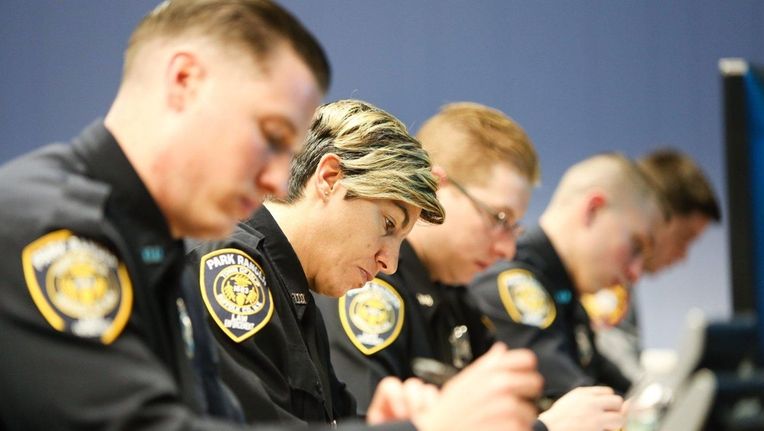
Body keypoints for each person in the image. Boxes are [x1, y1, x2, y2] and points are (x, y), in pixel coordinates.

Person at [0, 2, 537, 431]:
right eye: (272, 136)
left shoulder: (154, 243)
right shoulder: (47, 226)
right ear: (184, 80)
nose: (279, 182)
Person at [187, 99, 544, 429]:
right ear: (330, 179)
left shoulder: (295, 289)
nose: (389, 263)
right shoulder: (236, 270)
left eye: (401, 240)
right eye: (388, 224)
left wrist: (383, 421)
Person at [316, 103, 626, 431]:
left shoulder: (458, 300)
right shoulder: (368, 286)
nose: (507, 249)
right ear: (436, 188)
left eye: (513, 228)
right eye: (499, 219)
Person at [470, 153, 666, 400]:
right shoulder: (515, 284)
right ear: (593, 210)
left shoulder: (564, 294)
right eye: (636, 246)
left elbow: (622, 393)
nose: (635, 273)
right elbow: (576, 403)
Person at [581, 148, 721, 381]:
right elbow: (612, 356)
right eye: (684, 238)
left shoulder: (622, 279)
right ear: (657, 218)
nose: (683, 255)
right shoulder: (606, 274)